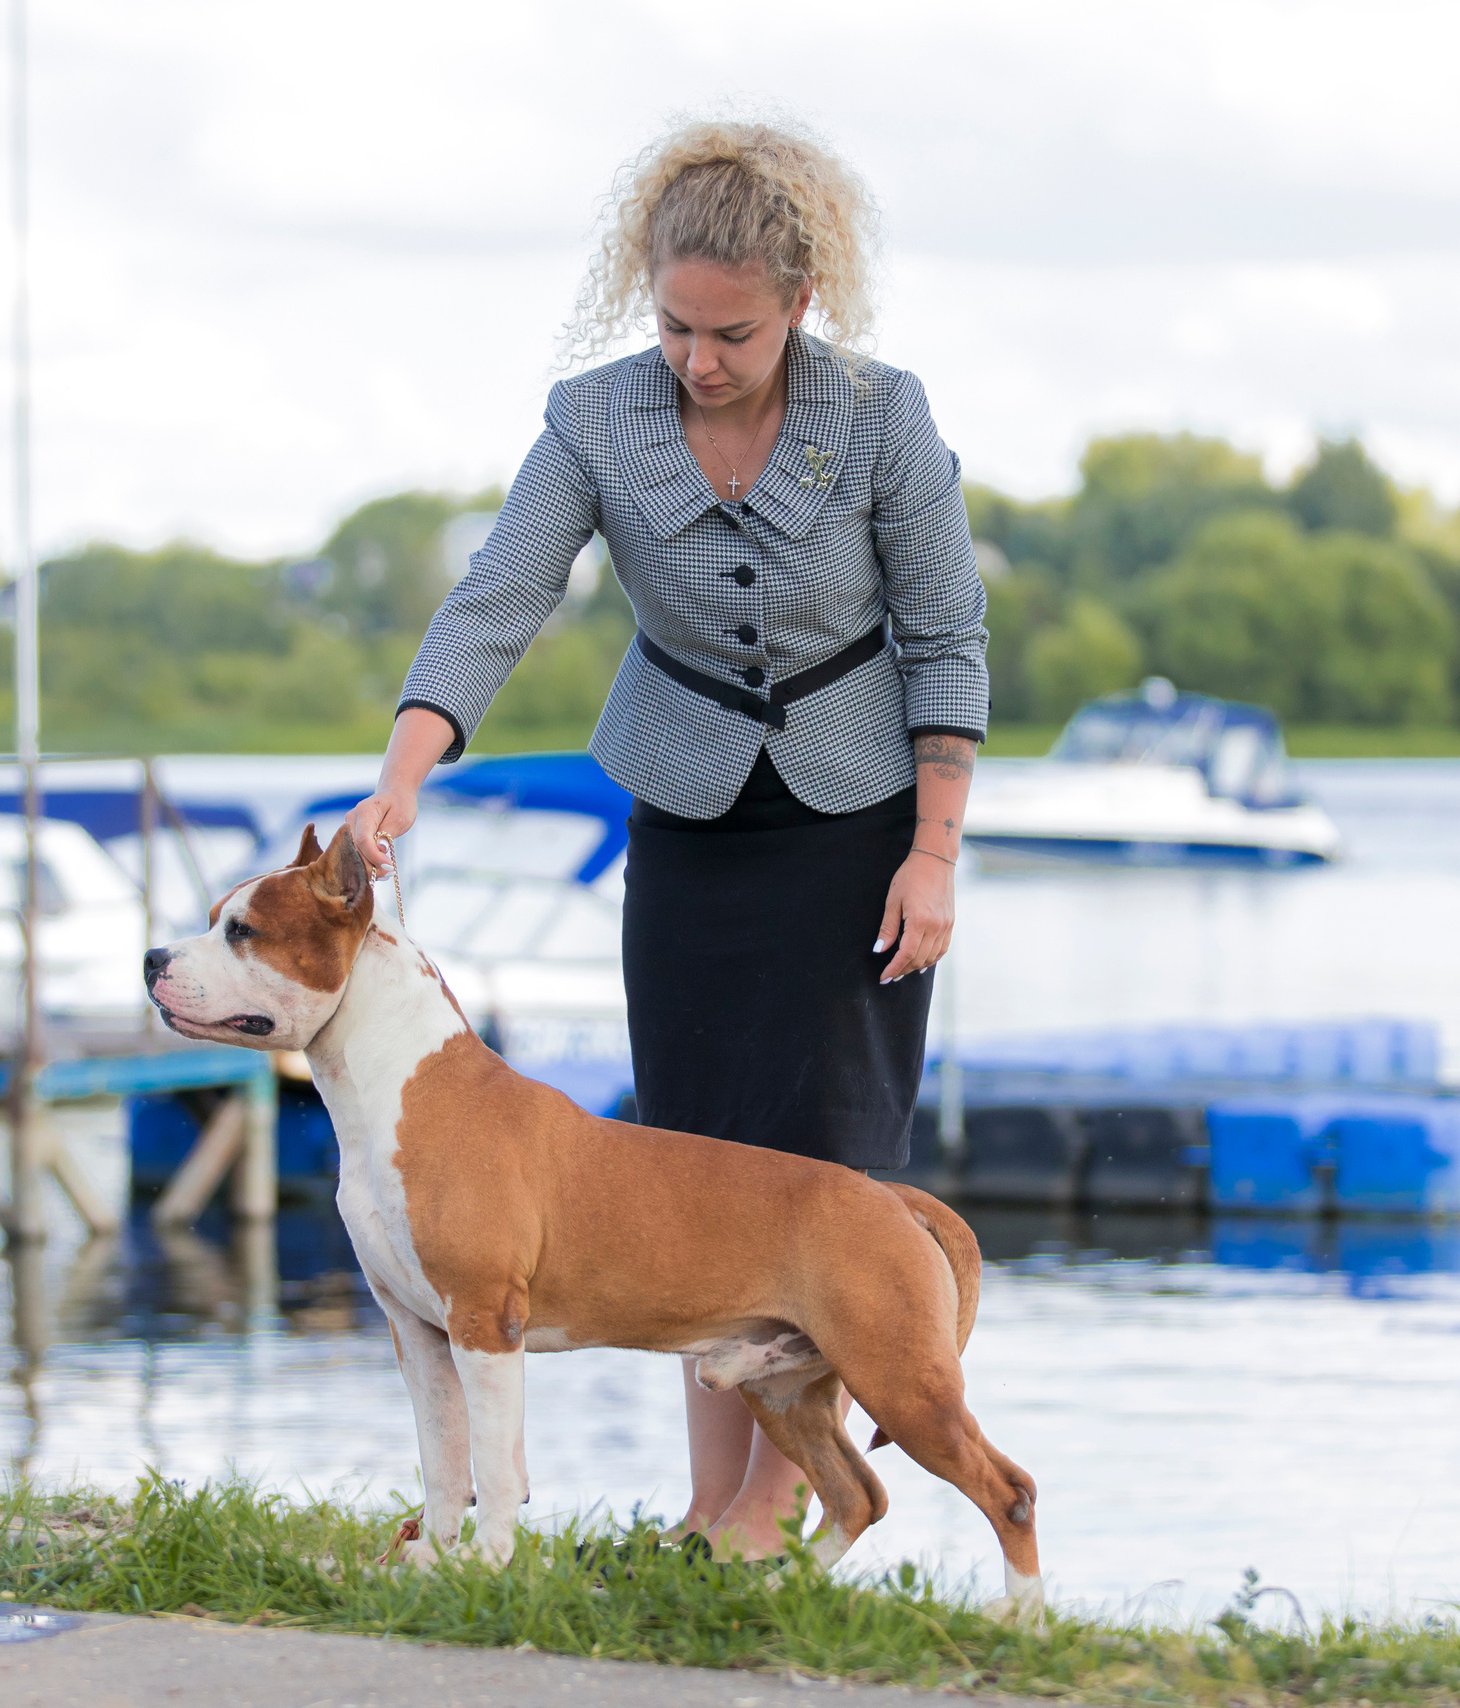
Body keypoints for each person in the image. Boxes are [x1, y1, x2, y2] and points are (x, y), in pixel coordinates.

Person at [341, 116, 988, 1560]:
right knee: (688, 1172)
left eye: (735, 334)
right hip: (690, 811)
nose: (702, 358)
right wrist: (403, 777)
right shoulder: (594, 418)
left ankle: (768, 1519)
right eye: (679, 326)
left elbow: (947, 637)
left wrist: (934, 848)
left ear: (802, 304)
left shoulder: (886, 417)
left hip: (859, 816)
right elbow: (500, 596)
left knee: (824, 1155)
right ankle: (716, 1506)